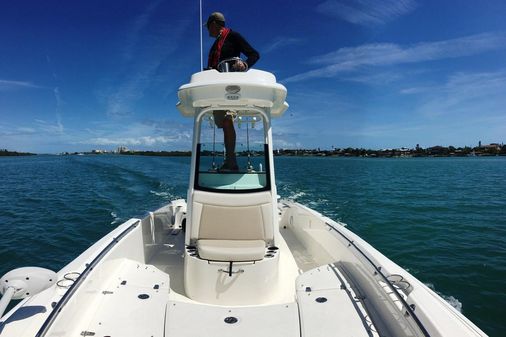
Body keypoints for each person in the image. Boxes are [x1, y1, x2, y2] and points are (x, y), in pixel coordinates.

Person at [206, 12, 260, 171]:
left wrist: (245, 64)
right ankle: (228, 161)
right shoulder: (214, 45)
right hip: (217, 89)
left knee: (228, 119)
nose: (207, 31)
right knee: (222, 122)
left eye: (208, 27)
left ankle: (232, 163)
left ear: (213, 24)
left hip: (232, 88)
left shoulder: (234, 36)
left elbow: (254, 54)